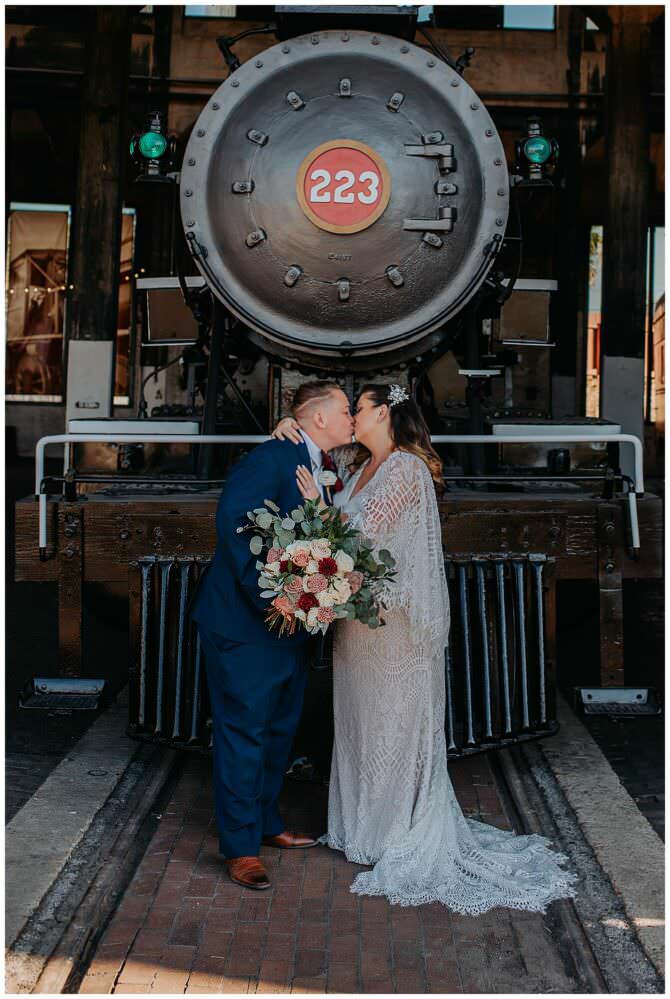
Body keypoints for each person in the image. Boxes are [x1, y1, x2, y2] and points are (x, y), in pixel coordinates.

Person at [272, 383, 578, 914]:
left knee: (392, 723)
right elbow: (315, 440)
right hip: (357, 629)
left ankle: (395, 832)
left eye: (357, 409)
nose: (350, 417)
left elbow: (360, 537)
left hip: (394, 629)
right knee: (361, 725)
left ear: (383, 413)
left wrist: (314, 505)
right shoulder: (357, 463)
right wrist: (286, 428)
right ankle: (360, 826)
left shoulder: (406, 470)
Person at [191, 380, 354, 889]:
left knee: (280, 728)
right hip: (247, 625)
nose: (351, 417)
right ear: (319, 418)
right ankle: (240, 848)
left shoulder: (320, 462)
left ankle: (266, 823)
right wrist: (276, 598)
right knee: (243, 732)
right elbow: (236, 523)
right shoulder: (272, 458)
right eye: (345, 410)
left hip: (292, 626)